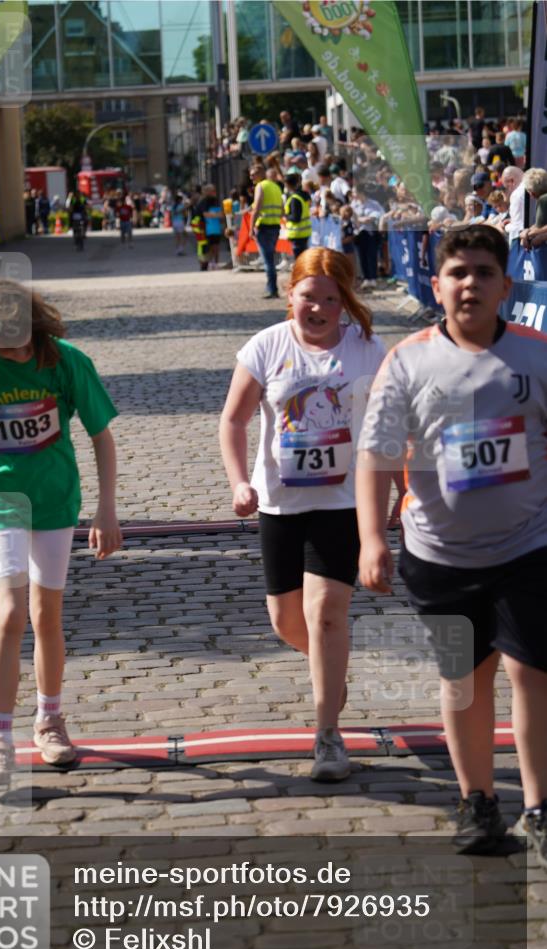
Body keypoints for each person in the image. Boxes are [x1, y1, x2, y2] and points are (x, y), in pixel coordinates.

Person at [356, 225, 547, 866]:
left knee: (532, 671)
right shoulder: (407, 361)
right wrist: (369, 541)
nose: (470, 283)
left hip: (530, 546)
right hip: (440, 555)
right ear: (435, 286)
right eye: (458, 272)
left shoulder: (537, 353)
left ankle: (540, 807)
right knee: (464, 681)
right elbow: (377, 457)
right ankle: (477, 800)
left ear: (506, 285)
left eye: (483, 272)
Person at [0, 279, 122, 785]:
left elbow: (100, 435)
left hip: (55, 500)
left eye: (22, 335)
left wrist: (106, 510)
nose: (16, 347)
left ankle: (50, 720)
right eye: (3, 339)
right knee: (12, 610)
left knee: (46, 614)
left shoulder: (65, 361)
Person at [220, 248, 389, 782]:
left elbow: (390, 425)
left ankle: (328, 736)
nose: (317, 309)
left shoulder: (367, 349)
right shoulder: (266, 346)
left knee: (326, 615)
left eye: (330, 300)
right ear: (289, 294)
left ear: (346, 302)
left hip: (342, 504)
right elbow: (233, 420)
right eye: (308, 297)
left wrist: (401, 490)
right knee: (287, 622)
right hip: (280, 504)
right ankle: (329, 674)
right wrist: (239, 481)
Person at [248, 163, 283, 299]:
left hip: (263, 227)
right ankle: (271, 287)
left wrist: (251, 228)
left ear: (261, 174)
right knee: (270, 259)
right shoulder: (276, 186)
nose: (251, 178)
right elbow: (281, 208)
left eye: (253, 175)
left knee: (267, 260)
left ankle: (272, 289)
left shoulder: (261, 186)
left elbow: (257, 207)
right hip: (275, 226)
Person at [283, 170, 312, 260]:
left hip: (297, 233)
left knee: (299, 260)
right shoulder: (305, 195)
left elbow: (296, 218)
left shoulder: (295, 199)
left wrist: (285, 216)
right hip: (305, 232)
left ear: (288, 185)